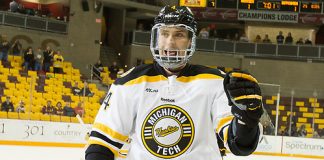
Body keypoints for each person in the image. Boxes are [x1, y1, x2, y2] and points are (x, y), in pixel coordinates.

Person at [85, 6, 263, 160]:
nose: (170, 42)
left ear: (190, 41)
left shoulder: (216, 82)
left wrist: (247, 119)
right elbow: (101, 145)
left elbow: (238, 144)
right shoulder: (128, 83)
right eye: (164, 33)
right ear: (156, 37)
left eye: (179, 34)